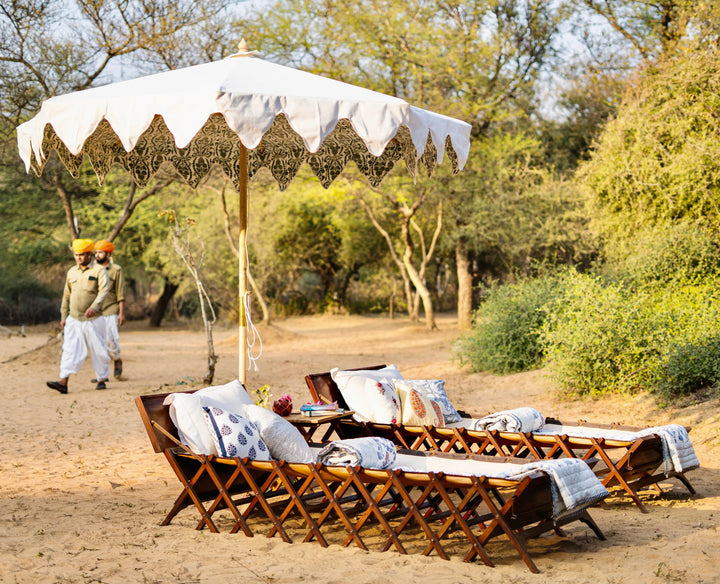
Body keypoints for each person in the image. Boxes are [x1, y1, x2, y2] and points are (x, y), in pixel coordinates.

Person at [46, 239, 111, 393]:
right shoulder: (71, 272)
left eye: (82, 255)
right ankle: (63, 381)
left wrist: (95, 307)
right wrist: (63, 316)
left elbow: (104, 291)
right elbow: (66, 296)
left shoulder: (99, 271)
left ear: (89, 254)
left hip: (94, 320)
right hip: (73, 319)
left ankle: (101, 378)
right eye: (76, 255)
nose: (79, 258)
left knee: (98, 350)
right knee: (69, 349)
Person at [93, 239, 125, 379]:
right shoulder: (91, 269)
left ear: (108, 254)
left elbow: (120, 292)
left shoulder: (116, 270)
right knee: (98, 343)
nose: (97, 255)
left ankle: (117, 359)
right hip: (95, 310)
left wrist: (121, 313)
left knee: (111, 340)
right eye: (96, 252)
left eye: (101, 252)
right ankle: (102, 375)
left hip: (110, 308)